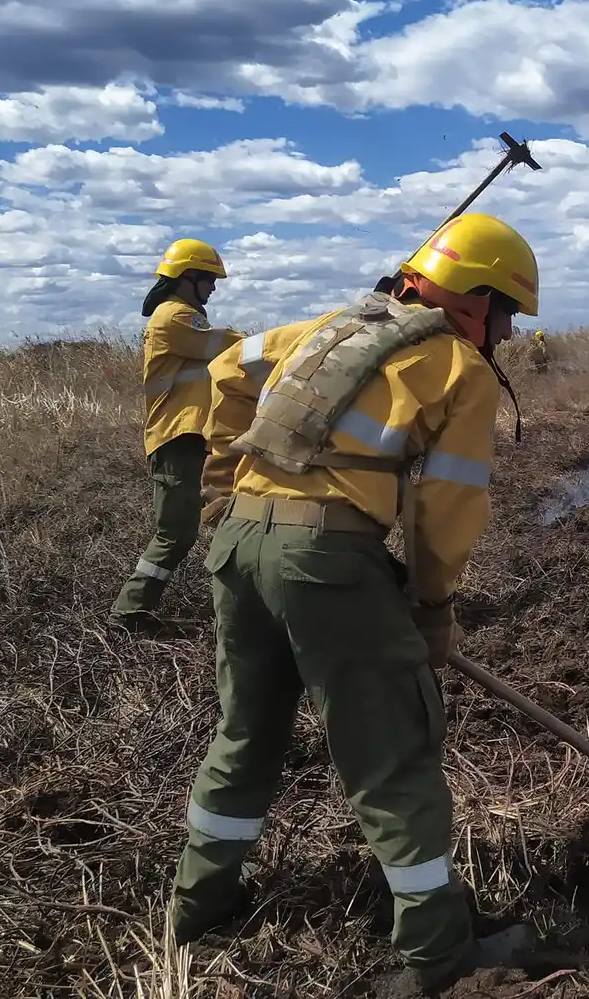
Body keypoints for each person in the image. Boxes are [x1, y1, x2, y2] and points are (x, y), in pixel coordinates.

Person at [170, 212, 542, 993]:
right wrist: (433, 605)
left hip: (238, 548)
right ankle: (440, 955)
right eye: (505, 314)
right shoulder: (456, 369)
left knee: (244, 733)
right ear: (473, 298)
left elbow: (228, 370)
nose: (504, 336)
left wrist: (219, 489)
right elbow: (449, 506)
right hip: (328, 563)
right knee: (395, 756)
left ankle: (197, 907)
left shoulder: (325, 328)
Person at [109, 238, 243, 629]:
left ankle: (235, 606)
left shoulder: (176, 315)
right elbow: (233, 347)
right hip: (176, 438)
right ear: (189, 278)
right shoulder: (176, 317)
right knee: (175, 533)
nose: (214, 288)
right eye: (210, 279)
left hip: (189, 438)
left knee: (223, 515)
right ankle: (130, 611)